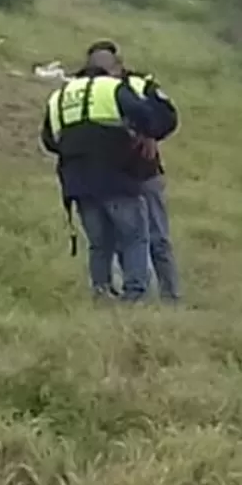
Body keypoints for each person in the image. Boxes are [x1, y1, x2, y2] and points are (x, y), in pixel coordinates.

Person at [41, 46, 174, 302]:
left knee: (99, 244)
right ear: (111, 68)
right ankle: (135, 297)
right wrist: (142, 135)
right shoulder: (113, 88)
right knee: (135, 237)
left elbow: (49, 140)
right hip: (117, 178)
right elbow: (149, 117)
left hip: (77, 184)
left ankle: (101, 294)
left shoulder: (59, 96)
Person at [83, 40, 182, 302]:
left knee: (157, 239)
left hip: (144, 172)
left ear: (119, 65)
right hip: (113, 179)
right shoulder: (86, 91)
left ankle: (170, 297)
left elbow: (168, 117)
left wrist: (149, 134)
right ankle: (132, 296)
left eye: (106, 66)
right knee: (118, 241)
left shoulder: (139, 85)